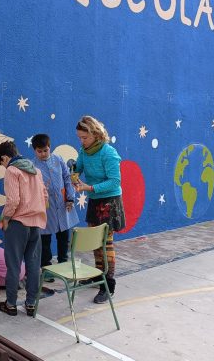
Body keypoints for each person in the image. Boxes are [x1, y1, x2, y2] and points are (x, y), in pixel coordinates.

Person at [74, 116, 126, 304]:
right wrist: (73, 173)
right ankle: (98, 276)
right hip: (95, 200)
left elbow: (115, 181)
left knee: (106, 242)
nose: (82, 141)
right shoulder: (84, 151)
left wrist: (89, 188)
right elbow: (77, 167)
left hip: (109, 201)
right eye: (79, 138)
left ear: (95, 134)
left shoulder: (108, 153)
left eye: (84, 137)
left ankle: (108, 285)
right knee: (96, 242)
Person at [0, 141, 47, 317]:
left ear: (4, 158)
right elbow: (45, 196)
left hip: (18, 224)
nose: (3, 166)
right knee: (33, 265)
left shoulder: (12, 170)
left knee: (14, 265)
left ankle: (11, 304)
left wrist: (4, 219)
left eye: (1, 163)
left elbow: (13, 201)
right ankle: (31, 303)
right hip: (36, 224)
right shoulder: (36, 171)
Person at [31, 134, 79, 273]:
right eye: (39, 151)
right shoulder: (32, 166)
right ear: (34, 151)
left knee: (64, 238)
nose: (43, 154)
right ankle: (47, 269)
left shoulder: (58, 159)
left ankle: (63, 265)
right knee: (45, 240)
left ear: (49, 147)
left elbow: (67, 178)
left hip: (62, 205)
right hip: (45, 208)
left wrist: (70, 198)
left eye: (45, 150)